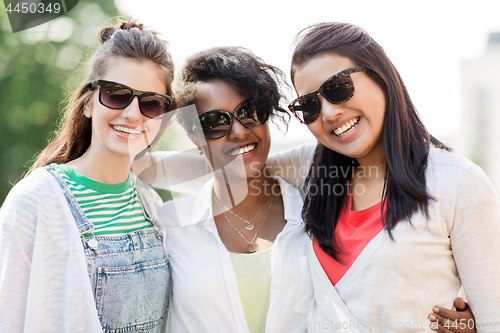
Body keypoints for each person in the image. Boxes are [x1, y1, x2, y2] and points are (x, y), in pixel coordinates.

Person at [278, 22, 500, 332]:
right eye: (309, 106)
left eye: (338, 88)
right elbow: (213, 166)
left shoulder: (458, 183)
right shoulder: (311, 169)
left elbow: (494, 320)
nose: (328, 114)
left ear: (380, 76)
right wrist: (192, 110)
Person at [0, 19, 175, 332]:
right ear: (88, 103)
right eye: (116, 94)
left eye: (151, 102)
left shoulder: (151, 204)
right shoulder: (34, 202)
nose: (133, 114)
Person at [157, 47, 313, 332]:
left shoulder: (314, 218)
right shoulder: (167, 228)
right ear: (194, 136)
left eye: (248, 111)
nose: (239, 131)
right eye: (215, 122)